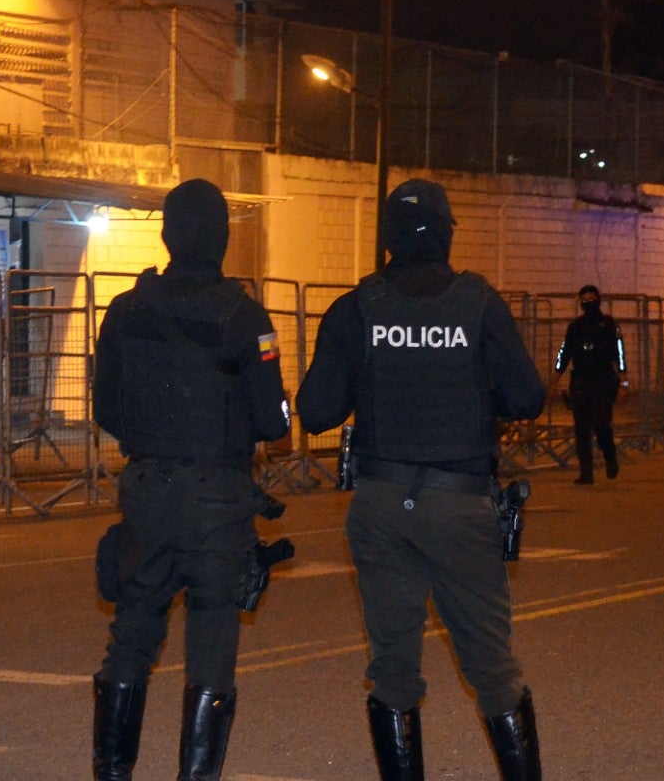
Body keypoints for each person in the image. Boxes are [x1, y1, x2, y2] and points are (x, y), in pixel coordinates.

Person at [296, 178, 547, 781]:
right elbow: (527, 396)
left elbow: (315, 410)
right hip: (459, 502)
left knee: (393, 668)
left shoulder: (358, 306)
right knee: (490, 667)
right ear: (446, 232)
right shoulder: (478, 304)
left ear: (385, 237)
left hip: (381, 504)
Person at [90, 178, 291, 781]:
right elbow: (272, 421)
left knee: (132, 634)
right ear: (223, 239)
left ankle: (113, 771)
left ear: (167, 235)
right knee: (211, 638)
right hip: (217, 497)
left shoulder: (126, 310)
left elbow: (106, 407)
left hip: (147, 487)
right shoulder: (244, 315)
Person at [549, 284, 626, 484]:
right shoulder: (575, 326)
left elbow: (619, 352)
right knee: (581, 429)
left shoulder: (608, 324)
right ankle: (586, 473)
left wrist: (624, 381)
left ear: (599, 300)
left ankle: (610, 457)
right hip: (581, 381)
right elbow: (564, 353)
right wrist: (555, 379)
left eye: (592, 299)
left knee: (601, 423)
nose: (589, 303)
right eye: (585, 300)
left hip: (603, 380)